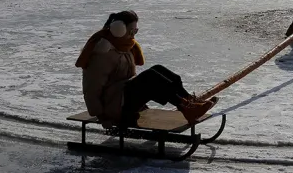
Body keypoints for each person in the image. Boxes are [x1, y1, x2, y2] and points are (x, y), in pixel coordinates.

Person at [75, 10, 217, 127]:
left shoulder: (124, 46)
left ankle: (188, 103)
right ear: (118, 30)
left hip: (123, 97)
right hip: (113, 107)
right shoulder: (102, 54)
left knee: (158, 70)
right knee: (150, 77)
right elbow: (91, 88)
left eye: (135, 31)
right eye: (131, 31)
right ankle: (185, 107)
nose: (133, 35)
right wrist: (102, 116)